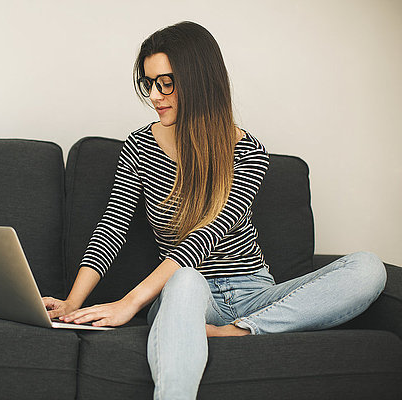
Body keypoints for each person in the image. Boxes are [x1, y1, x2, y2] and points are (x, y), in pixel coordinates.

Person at [42, 21, 387, 400]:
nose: (156, 96)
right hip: (186, 297)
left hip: (254, 294)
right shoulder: (139, 146)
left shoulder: (248, 152)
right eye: (150, 83)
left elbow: (207, 234)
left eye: (167, 82)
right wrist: (72, 303)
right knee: (187, 279)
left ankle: (240, 331)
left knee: (368, 268)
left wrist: (129, 304)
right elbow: (111, 228)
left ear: (200, 80)